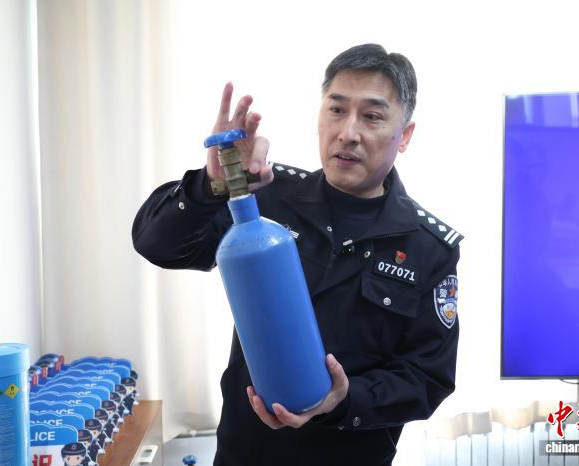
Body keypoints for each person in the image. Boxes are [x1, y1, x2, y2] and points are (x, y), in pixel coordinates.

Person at [133, 43, 463, 466]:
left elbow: (427, 378)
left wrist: (345, 399)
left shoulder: (428, 247)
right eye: (337, 110)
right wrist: (210, 186)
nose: (348, 132)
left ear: (405, 135)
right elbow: (157, 244)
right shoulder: (266, 196)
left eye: (372, 116)